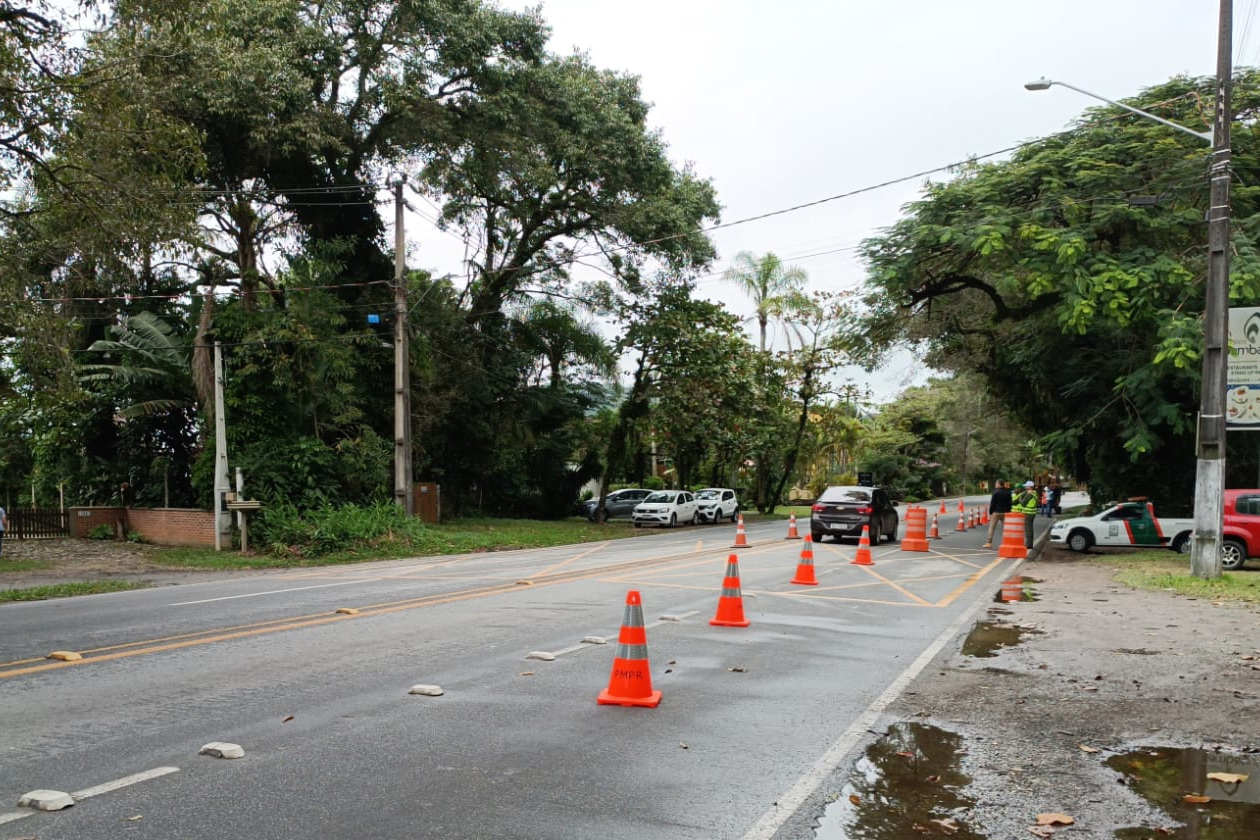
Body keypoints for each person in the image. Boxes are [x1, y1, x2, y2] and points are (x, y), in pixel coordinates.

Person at [1011, 480, 1040, 549]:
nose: (1025, 487)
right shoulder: (1034, 492)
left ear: (1030, 487)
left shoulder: (1030, 494)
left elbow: (1023, 503)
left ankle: (1028, 544)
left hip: (1028, 513)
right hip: (1031, 513)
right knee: (1029, 528)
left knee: (1028, 529)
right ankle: (1029, 543)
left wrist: (1020, 497)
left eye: (1026, 486)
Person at [984, 479, 1012, 548]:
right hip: (1005, 513)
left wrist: (991, 512)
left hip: (996, 512)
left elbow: (993, 504)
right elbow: (1010, 503)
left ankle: (989, 543)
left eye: (996, 483)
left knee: (992, 528)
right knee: (1006, 528)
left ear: (999, 484)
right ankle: (1007, 542)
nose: (995, 485)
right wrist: (1008, 511)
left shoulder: (996, 493)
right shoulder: (1008, 493)